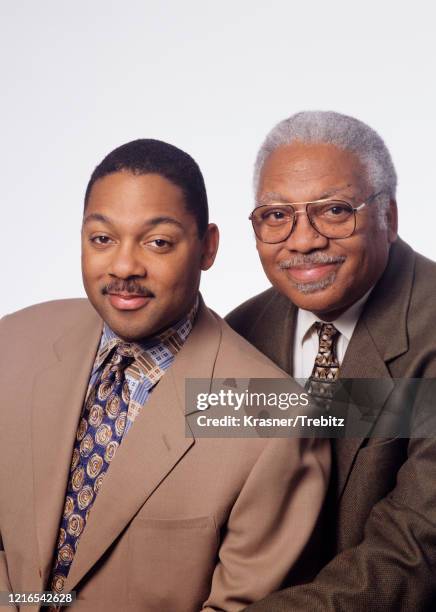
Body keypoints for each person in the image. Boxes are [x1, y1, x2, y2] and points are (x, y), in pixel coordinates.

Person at [0, 139, 329, 612]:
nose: (124, 266)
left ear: (207, 248)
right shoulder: (15, 340)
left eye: (158, 242)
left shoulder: (274, 420)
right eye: (102, 239)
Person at [226, 111, 436, 612]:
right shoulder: (236, 335)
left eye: (335, 210)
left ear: (390, 217)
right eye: (277, 216)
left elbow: (414, 555)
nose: (303, 240)